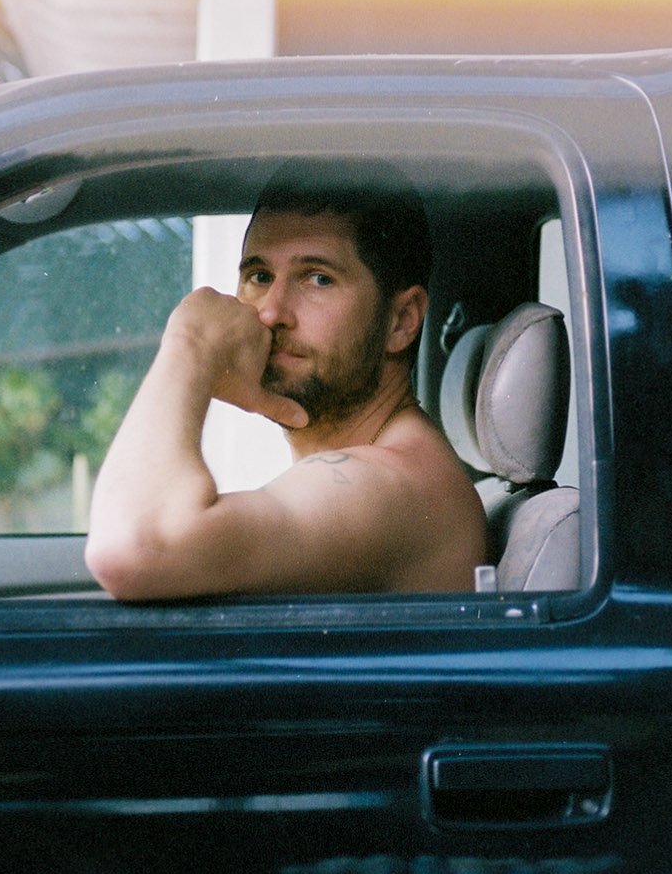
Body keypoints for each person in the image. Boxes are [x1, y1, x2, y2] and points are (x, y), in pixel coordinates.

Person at [84, 164, 488, 600]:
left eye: (318, 278)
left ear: (402, 320)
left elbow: (132, 548)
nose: (271, 312)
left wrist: (191, 344)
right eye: (259, 276)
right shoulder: (390, 467)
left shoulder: (392, 485)